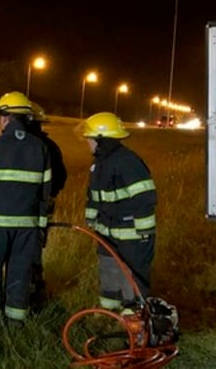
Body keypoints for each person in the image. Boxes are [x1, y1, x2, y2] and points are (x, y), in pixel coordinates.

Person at [0, 91, 52, 327]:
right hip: (27, 226)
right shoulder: (40, 148)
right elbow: (44, 192)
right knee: (20, 271)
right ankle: (16, 322)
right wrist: (41, 227)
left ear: (6, 118)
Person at [82, 112, 156, 312]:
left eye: (90, 137)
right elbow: (94, 197)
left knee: (132, 278)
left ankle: (134, 321)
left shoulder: (127, 162)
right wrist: (91, 221)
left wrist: (143, 234)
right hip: (107, 233)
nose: (87, 141)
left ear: (101, 139)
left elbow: (144, 197)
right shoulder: (100, 164)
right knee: (109, 273)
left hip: (131, 235)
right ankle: (109, 313)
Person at [27, 102, 67, 306]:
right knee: (35, 249)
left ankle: (27, 293)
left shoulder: (20, 145)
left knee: (21, 250)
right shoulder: (50, 147)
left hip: (21, 209)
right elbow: (61, 178)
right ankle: (36, 289)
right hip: (43, 209)